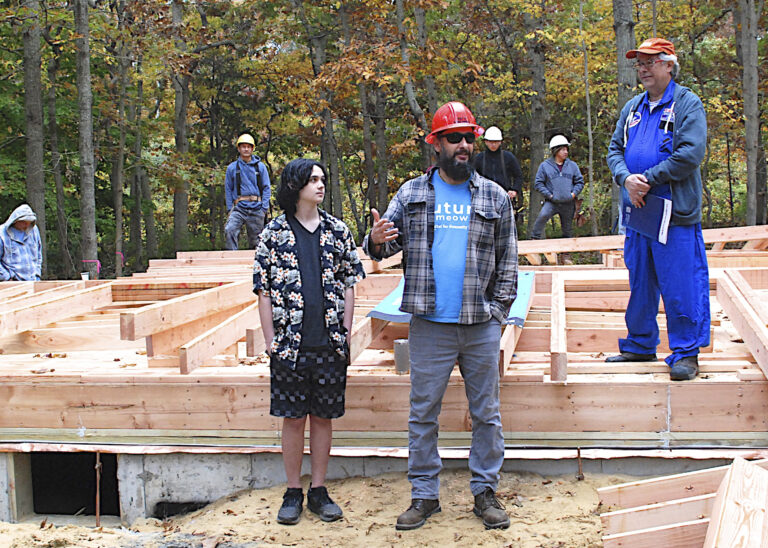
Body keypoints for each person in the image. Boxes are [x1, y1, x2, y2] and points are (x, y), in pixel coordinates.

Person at [363, 101, 517, 531]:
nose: (464, 145)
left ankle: (485, 492)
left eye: (469, 137)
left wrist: (498, 314)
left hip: (479, 323)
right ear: (436, 145)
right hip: (429, 323)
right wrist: (374, 241)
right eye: (455, 138)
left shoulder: (492, 197)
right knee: (423, 412)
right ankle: (424, 495)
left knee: (486, 412)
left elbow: (509, 262)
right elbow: (382, 247)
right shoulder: (411, 194)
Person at [254, 158, 365, 525]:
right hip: (289, 347)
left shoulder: (338, 230)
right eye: (313, 179)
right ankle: (292, 491)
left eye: (322, 178)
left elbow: (351, 282)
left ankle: (318, 490)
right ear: (295, 185)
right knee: (292, 420)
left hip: (329, 344)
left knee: (322, 419)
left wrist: (346, 331)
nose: (320, 185)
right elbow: (264, 291)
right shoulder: (274, 234)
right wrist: (271, 341)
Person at [606, 38, 709, 381]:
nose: (643, 69)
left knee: (680, 282)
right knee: (640, 281)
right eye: (639, 64)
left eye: (650, 62)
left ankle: (686, 353)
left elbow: (689, 154)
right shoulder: (633, 109)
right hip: (639, 213)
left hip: (674, 213)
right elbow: (613, 151)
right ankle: (640, 343)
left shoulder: (686, 104)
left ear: (669, 65)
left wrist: (647, 178)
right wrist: (626, 179)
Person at [530, 135, 585, 248]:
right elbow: (538, 183)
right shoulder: (545, 166)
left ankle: (566, 255)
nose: (566, 152)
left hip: (568, 203)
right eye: (563, 149)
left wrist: (573, 194)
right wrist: (549, 195)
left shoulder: (572, 166)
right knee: (542, 216)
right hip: (552, 202)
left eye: (566, 149)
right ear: (555, 150)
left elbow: (580, 182)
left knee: (567, 230)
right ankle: (533, 244)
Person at [224, 133, 271, 249]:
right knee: (229, 230)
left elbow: (266, 187)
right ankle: (232, 259)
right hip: (239, 208)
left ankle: (256, 264)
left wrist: (263, 208)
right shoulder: (232, 168)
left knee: (257, 240)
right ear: (239, 148)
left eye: (248, 146)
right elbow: (228, 189)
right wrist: (230, 208)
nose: (246, 149)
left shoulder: (260, 167)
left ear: (252, 148)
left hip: (257, 208)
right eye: (243, 146)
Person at [473, 126, 523, 205]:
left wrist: (514, 190)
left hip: (504, 197)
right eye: (490, 141)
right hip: (483, 198)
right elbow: (472, 177)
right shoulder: (479, 158)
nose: (493, 144)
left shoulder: (508, 157)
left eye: (496, 141)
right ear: (486, 142)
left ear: (500, 142)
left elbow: (518, 176)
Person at [0, 204, 42, 281]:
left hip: (33, 280)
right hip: (11, 282)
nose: (27, 225)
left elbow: (38, 254)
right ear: (16, 220)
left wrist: (37, 274)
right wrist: (7, 278)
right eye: (24, 222)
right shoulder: (2, 234)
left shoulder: (34, 230)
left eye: (29, 222)